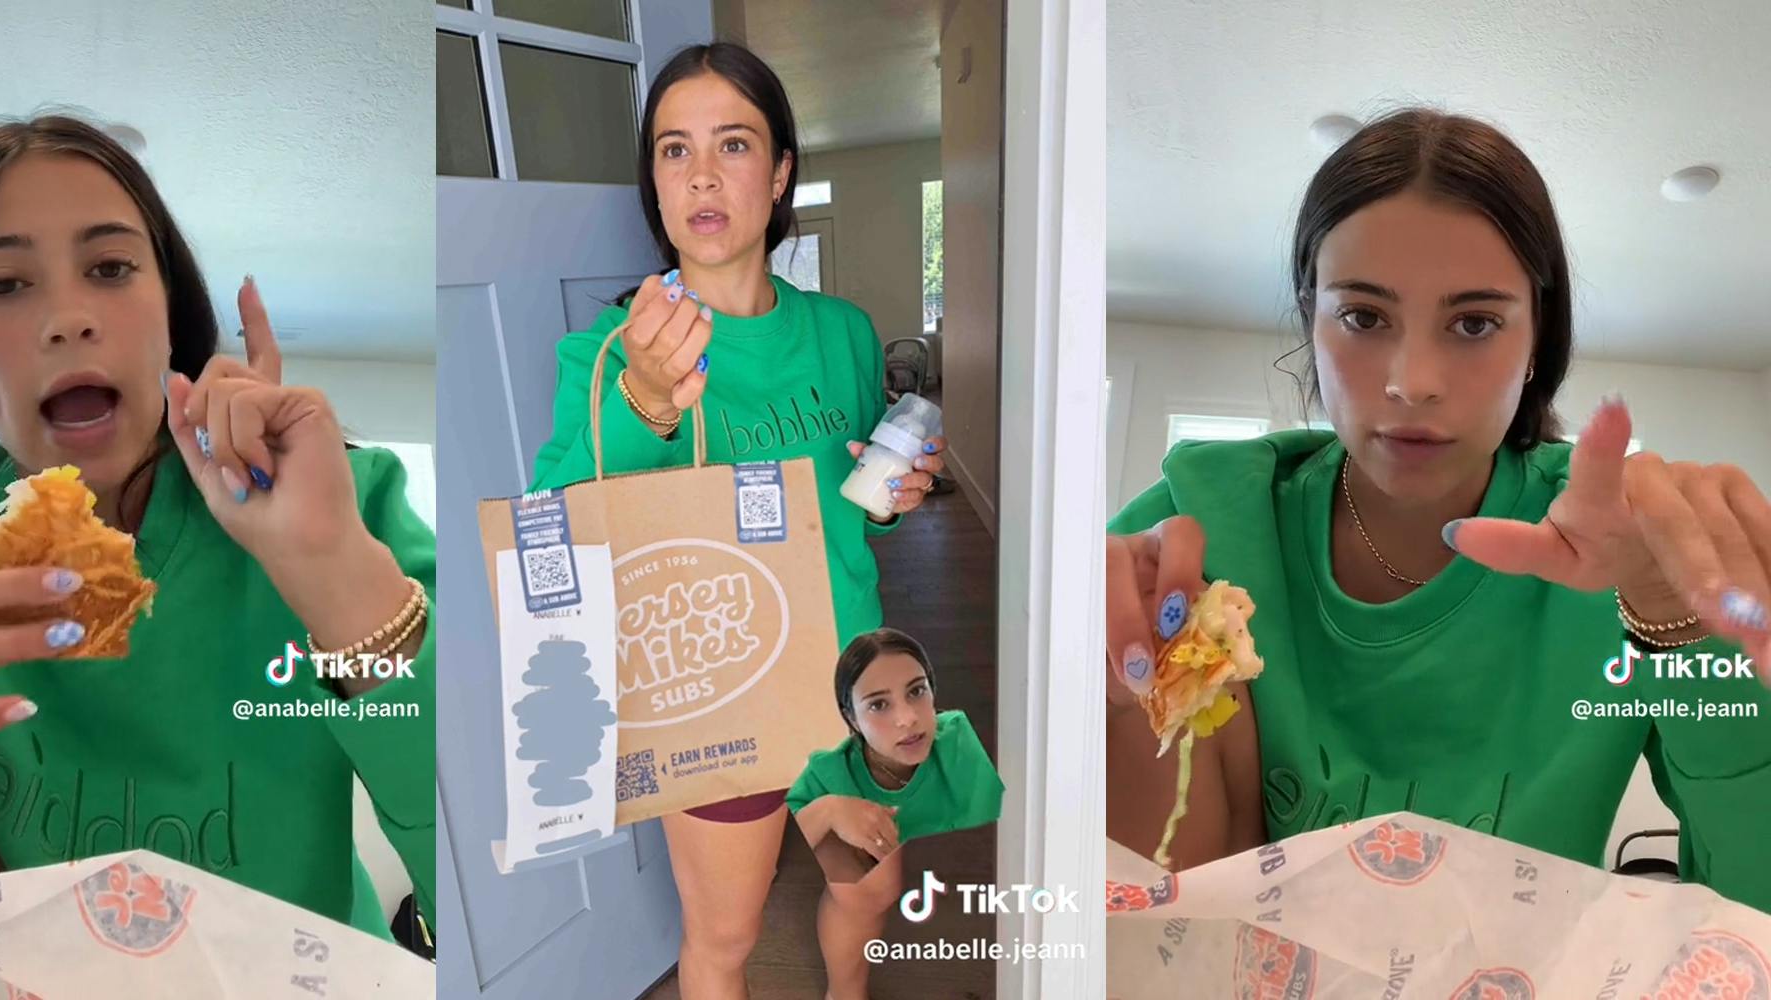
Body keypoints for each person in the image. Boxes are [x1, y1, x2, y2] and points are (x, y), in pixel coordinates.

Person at [0, 115, 437, 943]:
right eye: (6, 285)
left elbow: (495, 872)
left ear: (170, 322)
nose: (69, 317)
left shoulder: (339, 504)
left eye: (111, 267)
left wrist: (332, 571)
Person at [1105, 108, 1771, 911]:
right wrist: (1076, 682)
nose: (1412, 380)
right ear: (1310, 320)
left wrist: (1677, 624)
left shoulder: (1630, 555)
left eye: (1475, 322)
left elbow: (1750, 908)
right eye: (1363, 317)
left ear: (1537, 346)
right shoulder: (1202, 522)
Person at [528, 42, 951, 1000]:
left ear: (781, 171)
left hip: (854, 674)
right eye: (674, 151)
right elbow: (557, 532)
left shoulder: (841, 332)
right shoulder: (605, 353)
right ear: (655, 181)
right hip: (719, 690)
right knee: (726, 937)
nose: (704, 175)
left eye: (734, 144)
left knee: (872, 887)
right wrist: (645, 401)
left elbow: (851, 518)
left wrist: (895, 504)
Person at [786, 628, 1002, 1000]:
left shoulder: (958, 742)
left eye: (917, 691)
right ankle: (844, 993)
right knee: (852, 889)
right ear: (850, 718)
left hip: (957, 882)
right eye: (879, 705)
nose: (907, 718)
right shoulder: (829, 771)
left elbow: (1004, 836)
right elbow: (776, 840)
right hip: (884, 888)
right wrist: (829, 810)